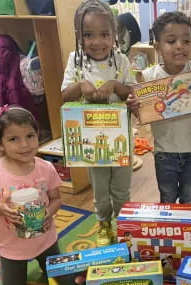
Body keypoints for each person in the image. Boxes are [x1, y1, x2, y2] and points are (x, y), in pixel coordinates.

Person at [61, 0, 135, 246]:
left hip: (121, 139)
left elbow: (132, 94)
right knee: (100, 188)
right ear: (78, 36)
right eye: (88, 35)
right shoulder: (75, 60)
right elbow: (64, 95)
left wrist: (114, 86)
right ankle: (103, 223)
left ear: (114, 34)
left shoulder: (121, 60)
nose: (97, 41)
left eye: (105, 34)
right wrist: (81, 86)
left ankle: (124, 225)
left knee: (122, 188)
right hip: (91, 141)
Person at [127, 11, 191, 204]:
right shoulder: (149, 77)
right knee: (167, 199)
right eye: (171, 41)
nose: (180, 46)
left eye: (186, 41)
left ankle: (185, 233)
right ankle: (168, 234)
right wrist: (134, 107)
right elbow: (143, 114)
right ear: (158, 47)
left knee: (189, 199)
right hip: (165, 153)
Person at [0, 106, 63, 285]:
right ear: (0, 144)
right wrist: (0, 209)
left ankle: (43, 260)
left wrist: (49, 212)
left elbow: (56, 199)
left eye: (30, 136)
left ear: (38, 135)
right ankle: (0, 254)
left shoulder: (46, 168)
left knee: (59, 279)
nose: (24, 145)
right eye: (13, 139)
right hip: (11, 245)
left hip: (45, 240)